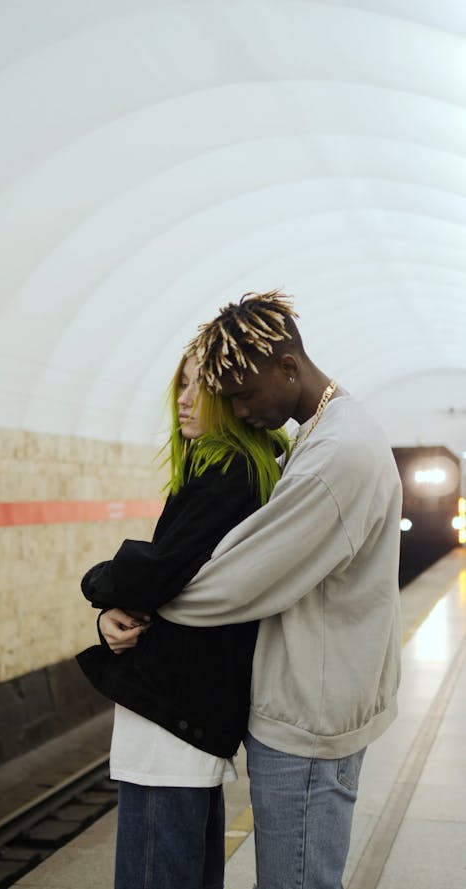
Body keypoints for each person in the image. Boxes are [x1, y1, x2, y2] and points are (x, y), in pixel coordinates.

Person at [111, 291, 403, 889]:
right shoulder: (330, 429)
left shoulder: (335, 454)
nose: (239, 411)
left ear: (288, 367)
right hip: (318, 702)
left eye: (244, 394)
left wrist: (144, 602)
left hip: (309, 717)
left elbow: (241, 581)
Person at [76, 352, 290, 889]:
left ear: (232, 396)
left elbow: (155, 574)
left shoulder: (225, 471)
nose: (184, 400)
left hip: (172, 716)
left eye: (202, 387)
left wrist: (97, 584)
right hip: (196, 714)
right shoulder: (256, 468)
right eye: (181, 386)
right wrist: (115, 610)